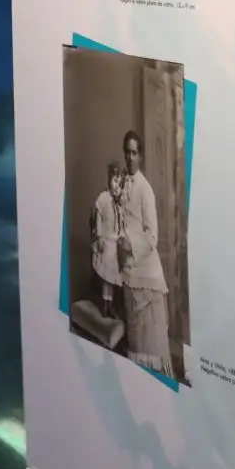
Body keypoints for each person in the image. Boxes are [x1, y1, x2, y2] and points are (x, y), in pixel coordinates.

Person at [118, 129, 171, 375]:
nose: (130, 158)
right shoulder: (121, 186)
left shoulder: (145, 189)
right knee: (135, 343)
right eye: (127, 152)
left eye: (134, 153)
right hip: (129, 273)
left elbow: (152, 237)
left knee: (150, 347)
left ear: (140, 157)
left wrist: (131, 247)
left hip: (147, 279)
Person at [90, 160, 127, 322]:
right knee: (107, 277)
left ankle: (109, 304)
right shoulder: (104, 198)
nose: (116, 186)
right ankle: (105, 305)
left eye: (119, 183)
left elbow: (123, 224)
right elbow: (98, 218)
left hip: (116, 245)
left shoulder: (120, 204)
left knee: (112, 277)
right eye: (114, 181)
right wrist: (98, 237)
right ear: (108, 180)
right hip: (105, 242)